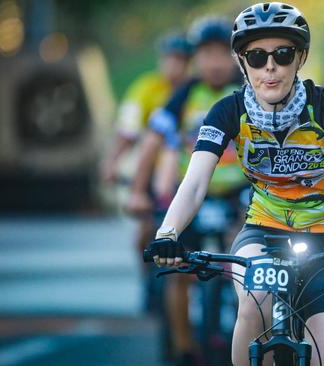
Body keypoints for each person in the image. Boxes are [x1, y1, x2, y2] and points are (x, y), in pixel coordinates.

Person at [147, 3, 324, 366]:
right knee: (256, 302)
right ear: (242, 61)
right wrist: (167, 233)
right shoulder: (228, 111)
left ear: (300, 58)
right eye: (256, 57)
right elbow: (194, 184)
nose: (269, 67)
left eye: (282, 54)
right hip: (263, 231)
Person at [127, 17, 242, 366]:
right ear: (196, 59)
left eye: (223, 53)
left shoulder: (248, 89)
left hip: (240, 193)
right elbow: (152, 141)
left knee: (250, 260)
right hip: (192, 194)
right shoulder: (186, 94)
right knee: (177, 268)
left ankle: (254, 331)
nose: (216, 62)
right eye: (207, 54)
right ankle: (183, 347)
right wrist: (137, 190)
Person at [98, 31, 192, 314]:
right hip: (153, 174)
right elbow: (127, 131)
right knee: (144, 231)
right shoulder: (146, 88)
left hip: (189, 173)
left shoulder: (197, 89)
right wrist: (111, 163)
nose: (173, 66)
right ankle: (147, 282)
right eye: (169, 59)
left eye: (180, 60)